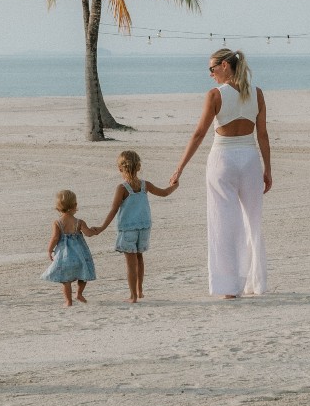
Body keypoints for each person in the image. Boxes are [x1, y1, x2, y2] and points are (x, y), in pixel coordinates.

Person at [170, 48, 271, 298]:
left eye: (212, 69)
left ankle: (229, 288)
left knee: (223, 223)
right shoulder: (256, 94)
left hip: (222, 160)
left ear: (225, 66)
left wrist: (179, 168)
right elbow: (263, 135)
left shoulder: (215, 95)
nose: (210, 74)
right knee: (253, 222)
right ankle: (255, 283)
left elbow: (199, 133)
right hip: (250, 160)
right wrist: (267, 168)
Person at [93, 150, 177, 303]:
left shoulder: (122, 188)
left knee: (131, 264)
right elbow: (164, 193)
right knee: (140, 258)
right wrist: (174, 185)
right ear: (139, 167)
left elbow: (114, 209)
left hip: (128, 230)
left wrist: (102, 227)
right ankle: (140, 290)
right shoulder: (145, 185)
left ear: (120, 169)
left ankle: (132, 296)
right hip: (144, 228)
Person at [42, 189, 99, 306]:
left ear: (58, 207)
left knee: (66, 280)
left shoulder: (58, 223)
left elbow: (55, 237)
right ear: (75, 205)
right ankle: (79, 293)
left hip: (65, 255)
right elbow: (87, 233)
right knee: (83, 274)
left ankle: (68, 301)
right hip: (80, 254)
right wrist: (94, 231)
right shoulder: (79, 222)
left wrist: (49, 250)